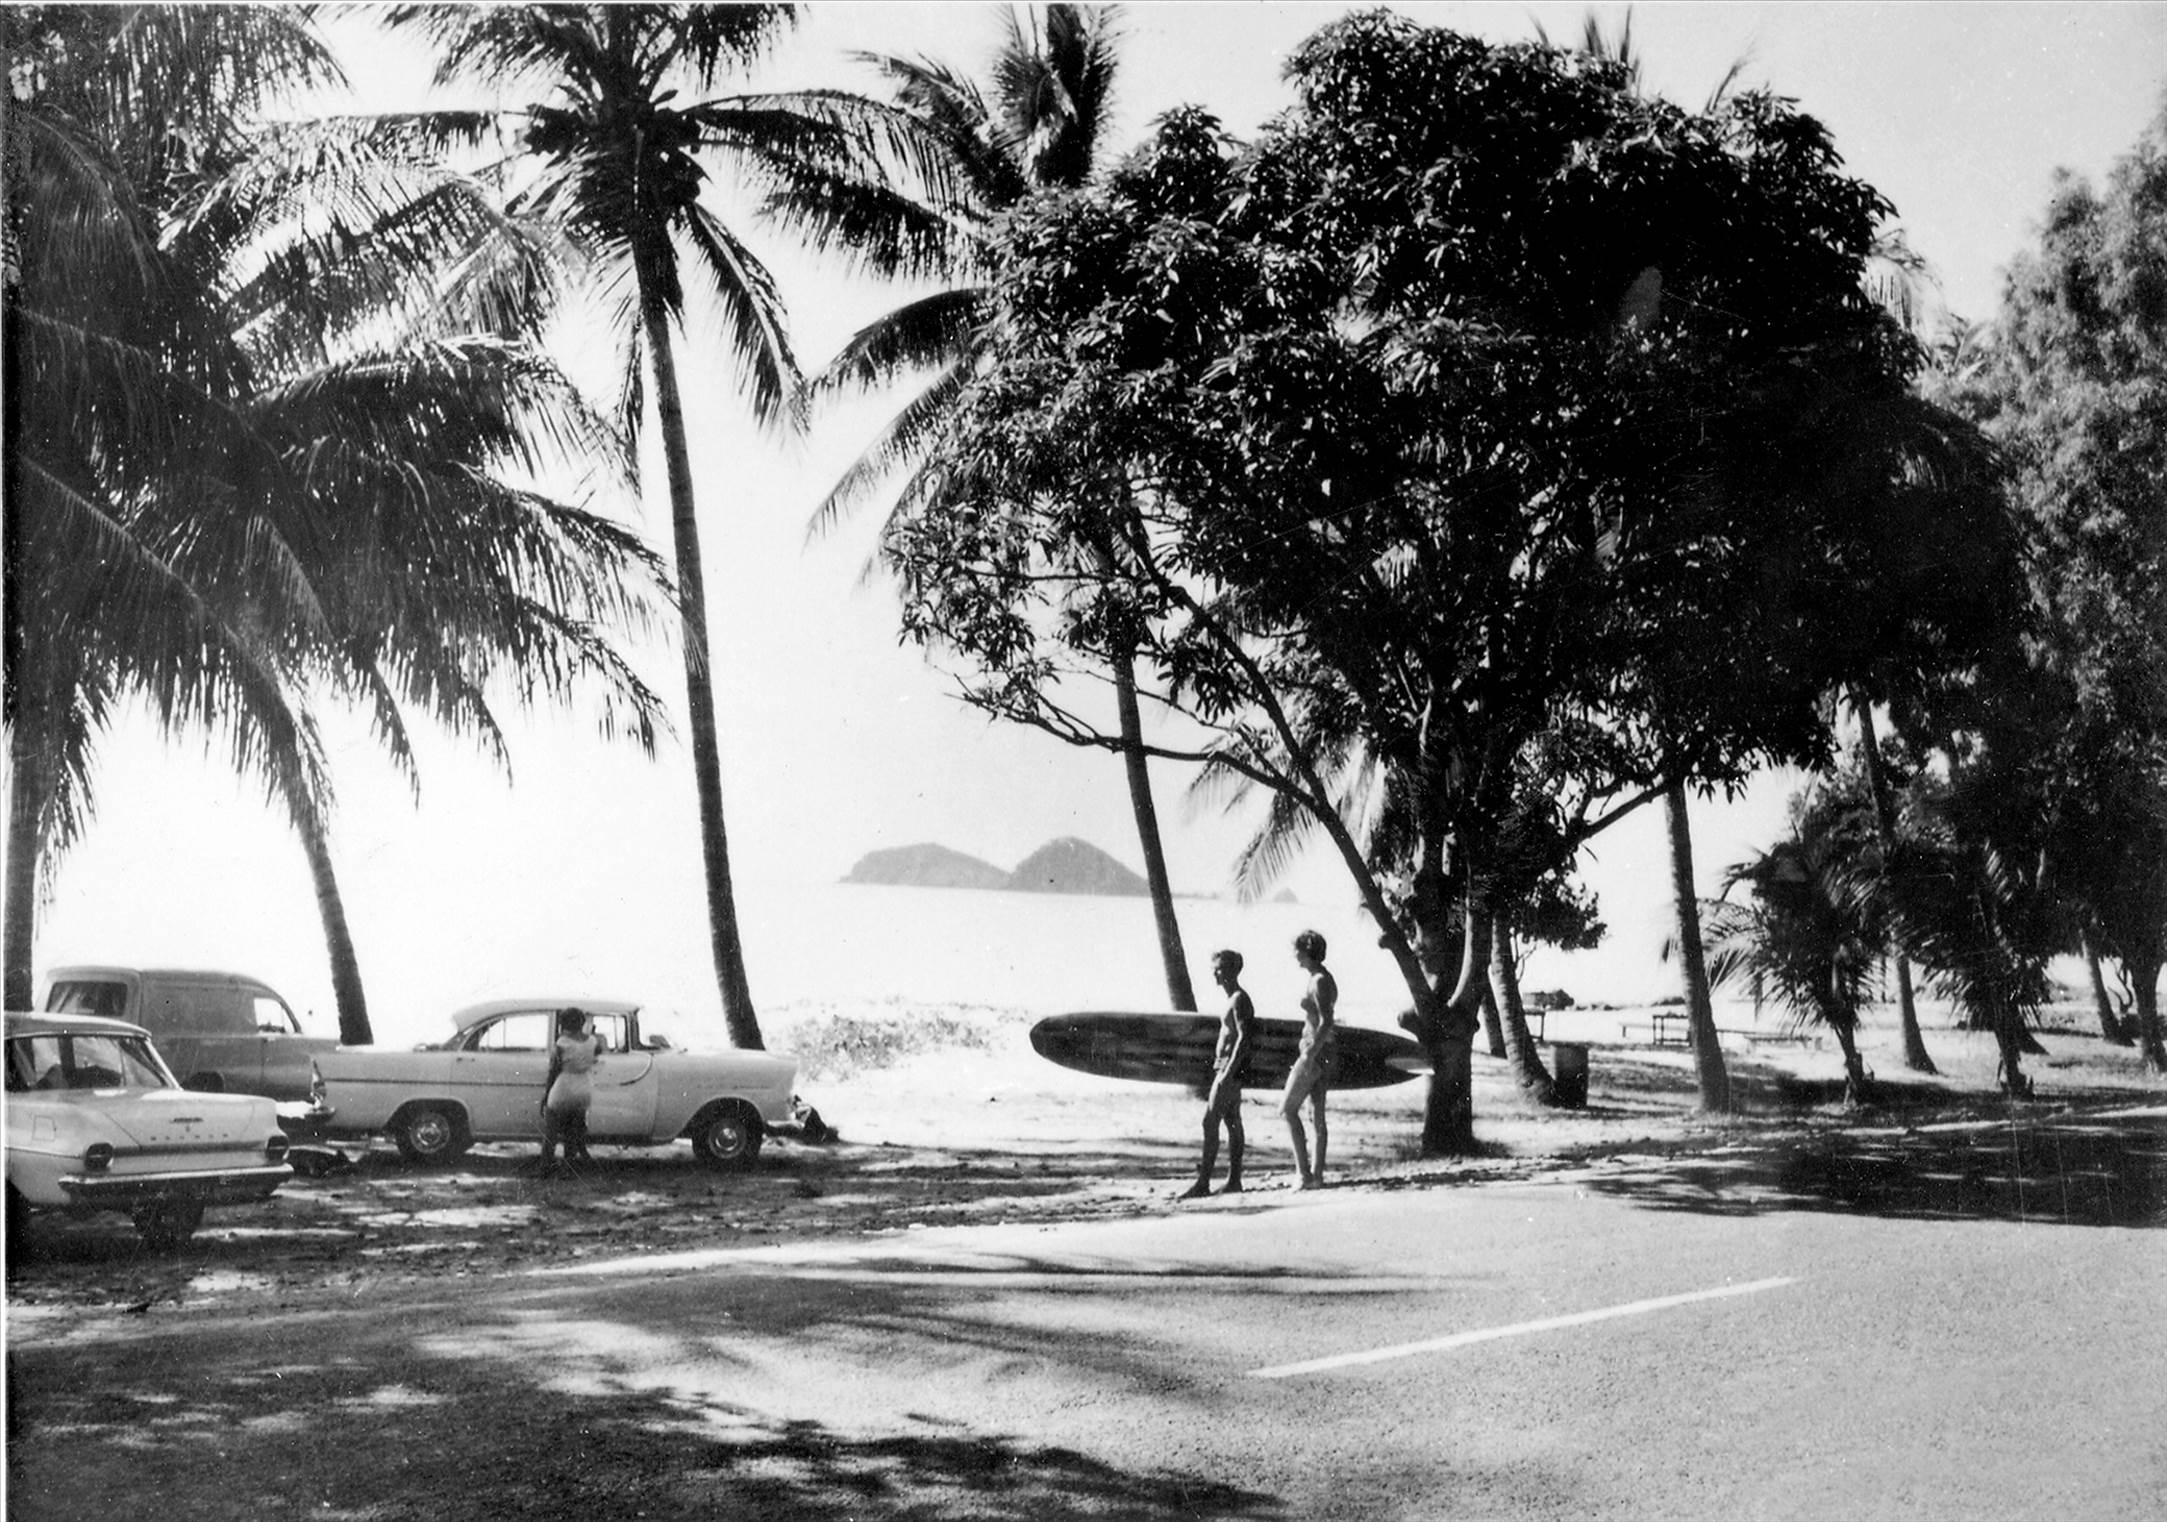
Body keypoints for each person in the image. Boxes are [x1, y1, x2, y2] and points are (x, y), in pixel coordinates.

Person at [1179, 949, 1255, 1200]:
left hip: (1228, 1070)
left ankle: (1203, 1183)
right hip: (1225, 1068)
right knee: (1232, 1122)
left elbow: (1244, 1038)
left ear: (1233, 970)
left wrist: (1229, 1072)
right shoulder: (1233, 999)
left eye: (1220, 968)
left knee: (1210, 1122)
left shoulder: (1239, 1000)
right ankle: (1234, 1181)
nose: (1215, 972)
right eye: (1215, 968)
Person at [1281, 929, 1337, 1189]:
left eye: (1297, 950)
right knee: (1316, 1115)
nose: (1294, 955)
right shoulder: (1320, 977)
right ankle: (1315, 1175)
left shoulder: (1319, 981)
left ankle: (1304, 1174)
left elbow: (1326, 1021)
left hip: (1316, 1052)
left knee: (1287, 1109)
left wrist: (1310, 1053)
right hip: (1323, 1051)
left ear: (1307, 951)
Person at [538, 1007, 601, 1173]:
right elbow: (596, 1053)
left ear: (564, 1024)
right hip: (584, 1087)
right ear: (582, 1023)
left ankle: (545, 1167)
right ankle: (568, 1169)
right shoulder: (592, 1041)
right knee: (573, 1132)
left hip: (564, 1086)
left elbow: (554, 1070)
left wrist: (546, 1096)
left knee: (551, 1130)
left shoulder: (562, 1043)